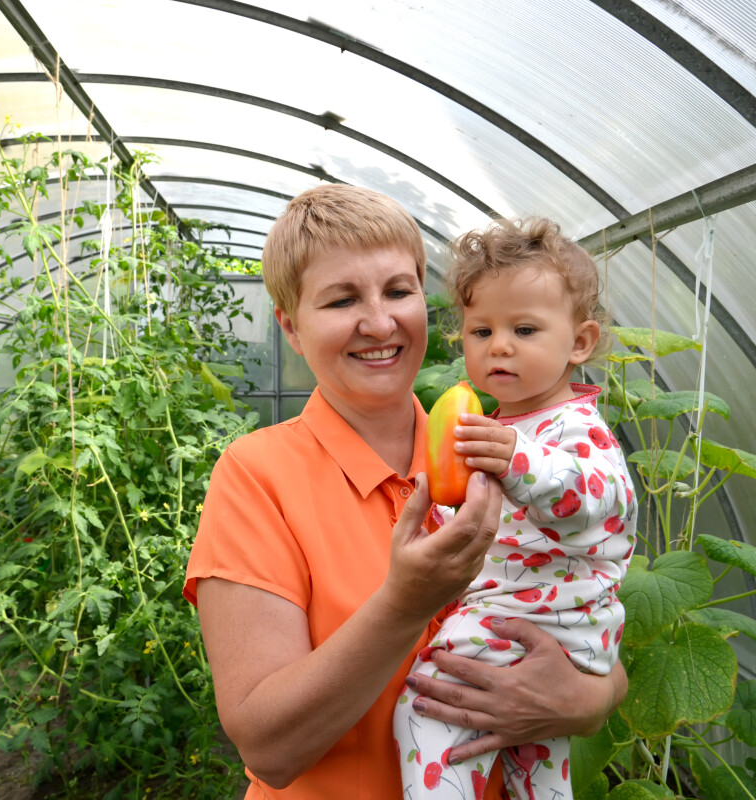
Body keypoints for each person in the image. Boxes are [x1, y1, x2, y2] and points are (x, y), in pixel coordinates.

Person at [184, 186, 628, 800]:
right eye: (341, 300)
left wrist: (586, 700)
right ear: (290, 325)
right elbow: (269, 746)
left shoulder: (501, 448)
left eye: (398, 291)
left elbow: (582, 613)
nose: (379, 322)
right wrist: (405, 602)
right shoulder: (259, 476)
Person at [394, 217, 637, 800]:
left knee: (428, 701)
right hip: (548, 630)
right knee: (537, 769)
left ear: (579, 343)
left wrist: (519, 460)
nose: (498, 345)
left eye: (524, 329)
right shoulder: (503, 428)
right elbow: (496, 526)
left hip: (537, 621)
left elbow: (598, 498)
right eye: (481, 331)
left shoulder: (576, 426)